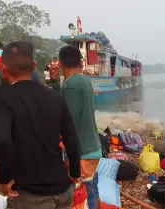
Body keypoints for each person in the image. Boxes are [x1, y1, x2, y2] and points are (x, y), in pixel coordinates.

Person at [0, 41, 81, 209]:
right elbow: (72, 139)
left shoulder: (0, 101)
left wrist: (4, 179)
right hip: (63, 190)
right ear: (34, 66)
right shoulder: (55, 97)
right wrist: (75, 172)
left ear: (3, 68)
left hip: (30, 195)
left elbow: (2, 142)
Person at [59, 45, 102, 209]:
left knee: (84, 193)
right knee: (93, 188)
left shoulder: (70, 85)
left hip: (83, 151)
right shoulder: (84, 80)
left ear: (62, 63)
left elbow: (70, 122)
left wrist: (69, 154)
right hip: (93, 145)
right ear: (80, 63)